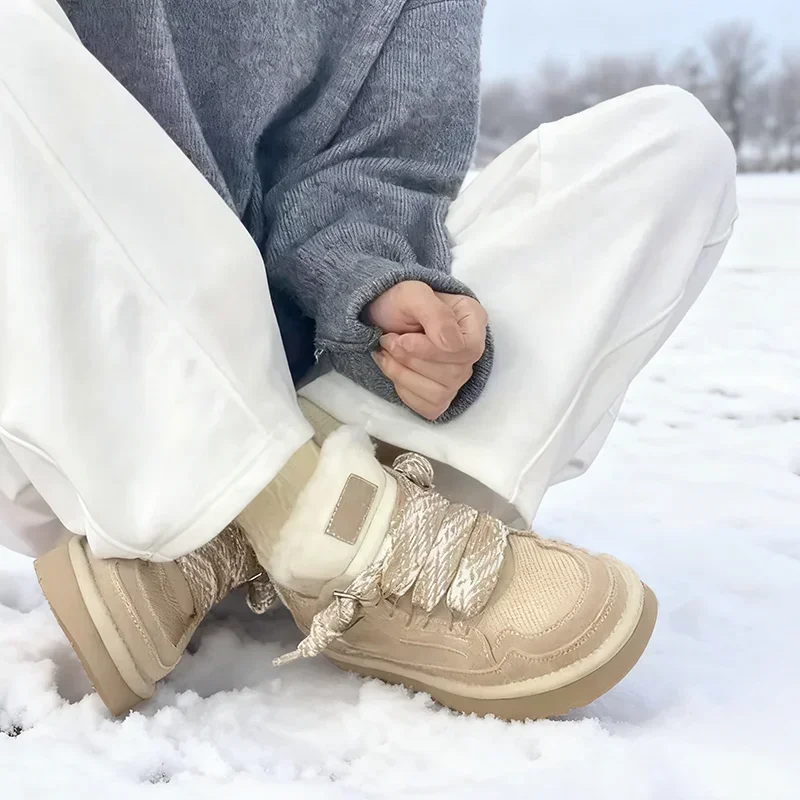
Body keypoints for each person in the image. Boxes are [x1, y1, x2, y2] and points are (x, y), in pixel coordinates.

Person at [0, 0, 737, 720]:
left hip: (304, 377)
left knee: (673, 143)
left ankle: (265, 521)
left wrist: (380, 290)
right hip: (86, 404)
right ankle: (295, 515)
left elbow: (378, 169)